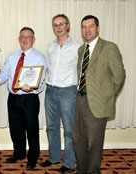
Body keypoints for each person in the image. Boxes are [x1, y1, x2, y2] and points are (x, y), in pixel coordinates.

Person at [73, 15, 126, 174]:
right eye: (84, 27)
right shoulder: (81, 49)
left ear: (97, 28)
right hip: (80, 99)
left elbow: (119, 77)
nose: (87, 30)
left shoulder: (109, 47)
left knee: (94, 143)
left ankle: (93, 172)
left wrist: (107, 97)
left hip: (98, 103)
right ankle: (81, 170)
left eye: (90, 26)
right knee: (78, 140)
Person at [0, 27, 47, 169]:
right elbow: (5, 74)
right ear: (19, 39)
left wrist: (32, 87)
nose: (25, 39)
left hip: (29, 99)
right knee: (16, 129)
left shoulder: (39, 57)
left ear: (33, 39)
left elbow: (41, 80)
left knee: (31, 130)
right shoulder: (12, 56)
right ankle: (19, 153)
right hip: (13, 98)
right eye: (22, 37)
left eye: (28, 37)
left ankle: (32, 157)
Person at [40, 14, 80, 173]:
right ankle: (54, 158)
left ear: (68, 25)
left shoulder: (77, 47)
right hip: (50, 90)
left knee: (70, 130)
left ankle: (69, 164)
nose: (58, 27)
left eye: (61, 24)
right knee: (52, 127)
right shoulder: (51, 47)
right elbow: (47, 69)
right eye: (55, 25)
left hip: (68, 92)